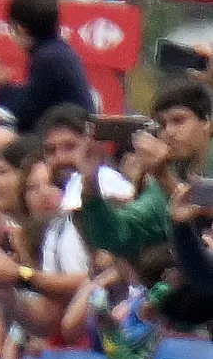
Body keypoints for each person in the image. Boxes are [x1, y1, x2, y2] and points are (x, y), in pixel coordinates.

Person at [77, 82, 213, 261]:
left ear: (207, 122)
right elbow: (121, 234)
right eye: (162, 125)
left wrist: (163, 175)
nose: (169, 132)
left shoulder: (165, 173)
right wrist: (90, 181)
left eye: (179, 120)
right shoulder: (169, 174)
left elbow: (204, 211)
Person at [0, 0, 95, 135]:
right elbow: (37, 98)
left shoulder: (47, 58)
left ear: (19, 28)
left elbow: (24, 113)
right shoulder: (59, 52)